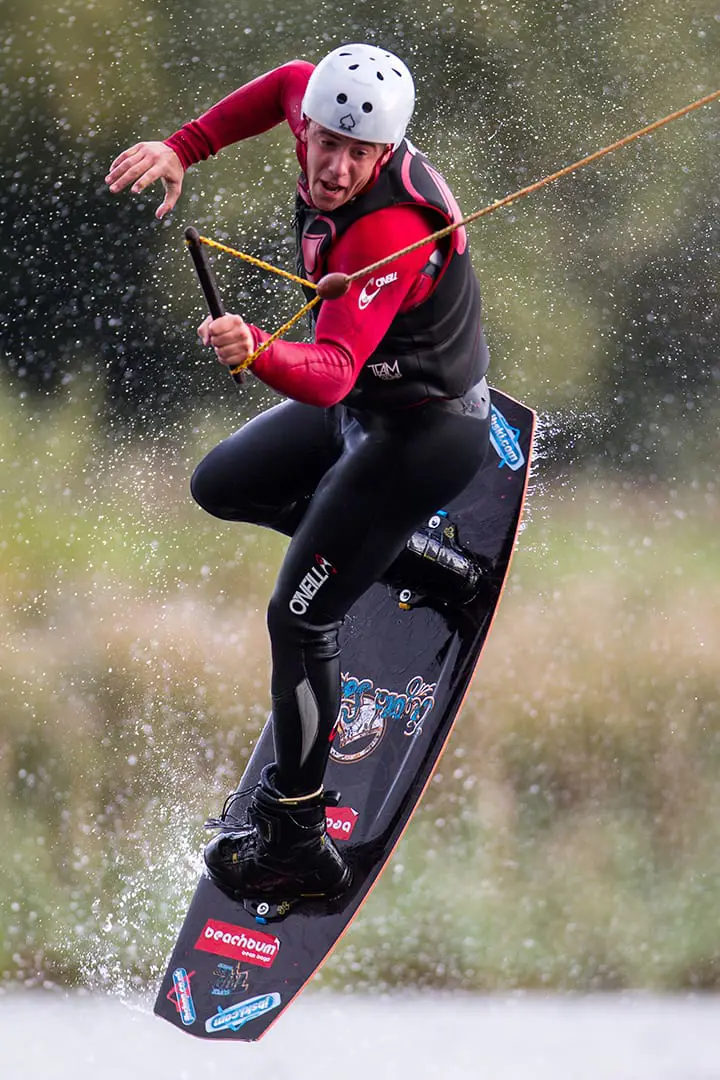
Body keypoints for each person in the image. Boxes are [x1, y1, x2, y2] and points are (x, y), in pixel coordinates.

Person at [105, 43, 492, 903]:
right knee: (223, 485)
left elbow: (334, 372)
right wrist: (185, 146)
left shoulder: (391, 226)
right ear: (309, 128)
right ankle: (429, 564)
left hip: (424, 434)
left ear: (386, 153)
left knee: (300, 617)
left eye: (360, 155)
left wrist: (261, 349)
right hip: (364, 416)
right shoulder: (308, 104)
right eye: (327, 144)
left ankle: (298, 837)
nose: (336, 167)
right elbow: (281, 80)